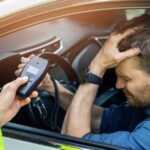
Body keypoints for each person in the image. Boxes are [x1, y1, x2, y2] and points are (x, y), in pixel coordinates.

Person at [15, 14, 150, 150]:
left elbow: (73, 144)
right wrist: (51, 86)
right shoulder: (143, 107)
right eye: (118, 77)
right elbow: (100, 119)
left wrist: (97, 68)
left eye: (127, 79)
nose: (118, 85)